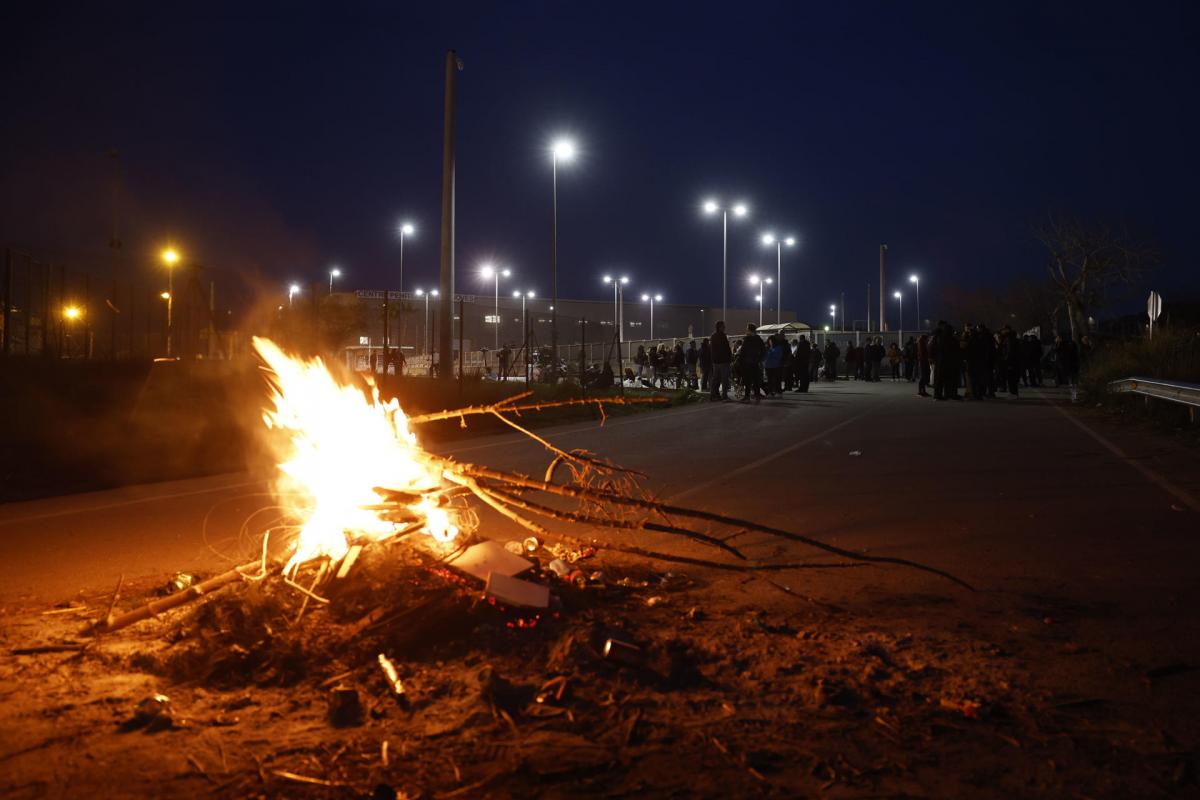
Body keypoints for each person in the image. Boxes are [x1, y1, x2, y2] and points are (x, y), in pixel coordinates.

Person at [737, 323, 766, 402]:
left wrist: (740, 361)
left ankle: (747, 397)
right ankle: (757, 396)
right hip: (755, 363)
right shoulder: (758, 339)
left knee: (748, 381)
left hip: (747, 363)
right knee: (756, 380)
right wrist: (759, 359)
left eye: (747, 329)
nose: (746, 330)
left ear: (749, 330)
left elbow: (743, 352)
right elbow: (764, 350)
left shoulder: (747, 339)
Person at [933, 321, 961, 401]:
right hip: (950, 362)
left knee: (939, 379)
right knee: (950, 379)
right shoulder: (953, 340)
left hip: (940, 361)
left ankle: (938, 395)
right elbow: (957, 351)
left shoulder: (939, 338)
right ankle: (949, 394)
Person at [709, 321, 732, 401]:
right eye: (723, 326)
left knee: (716, 379)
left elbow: (712, 350)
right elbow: (726, 348)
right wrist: (729, 358)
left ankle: (713, 395)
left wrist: (714, 359)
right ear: (720, 327)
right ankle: (724, 396)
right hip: (723, 361)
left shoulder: (713, 336)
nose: (724, 327)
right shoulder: (723, 336)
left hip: (716, 361)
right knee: (724, 379)